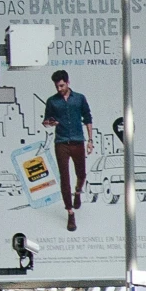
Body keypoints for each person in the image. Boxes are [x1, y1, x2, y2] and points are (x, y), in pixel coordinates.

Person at [40, 69, 95, 233]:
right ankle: (70, 212)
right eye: (57, 86)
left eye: (62, 85)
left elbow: (88, 118)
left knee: (82, 174)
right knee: (64, 177)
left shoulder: (79, 98)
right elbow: (46, 121)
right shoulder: (52, 101)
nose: (59, 89)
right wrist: (50, 123)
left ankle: (78, 192)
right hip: (61, 142)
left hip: (78, 141)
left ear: (68, 82)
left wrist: (90, 140)